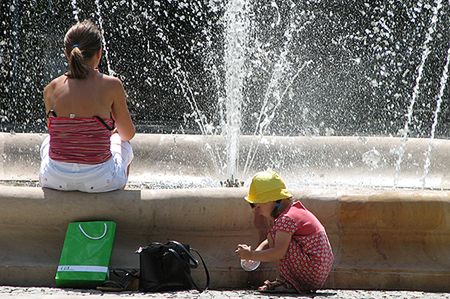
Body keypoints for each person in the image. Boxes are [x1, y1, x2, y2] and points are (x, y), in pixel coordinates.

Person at [39, 19, 135, 193]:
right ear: (99, 53)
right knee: (123, 143)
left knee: (47, 141)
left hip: (53, 179)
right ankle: (116, 207)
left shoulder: (50, 88)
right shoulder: (112, 85)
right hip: (101, 181)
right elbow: (128, 133)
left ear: (66, 53)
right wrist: (109, 129)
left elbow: (56, 131)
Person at [235, 170, 334, 293]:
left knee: (274, 235)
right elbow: (270, 241)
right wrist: (256, 253)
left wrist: (251, 255)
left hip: (310, 272)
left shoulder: (286, 219)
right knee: (274, 235)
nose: (256, 210)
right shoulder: (293, 211)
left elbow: (278, 253)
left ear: (271, 201)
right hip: (317, 271)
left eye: (257, 205)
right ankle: (288, 282)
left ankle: (288, 283)